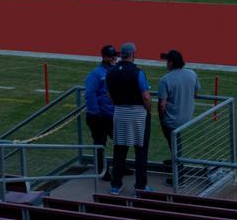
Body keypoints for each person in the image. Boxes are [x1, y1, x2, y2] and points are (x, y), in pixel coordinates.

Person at [107, 43, 152, 195]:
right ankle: (140, 185)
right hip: (138, 115)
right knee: (141, 151)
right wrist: (148, 110)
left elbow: (109, 96)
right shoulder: (138, 72)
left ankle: (115, 185)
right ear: (133, 54)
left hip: (120, 114)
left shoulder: (111, 71)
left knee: (119, 150)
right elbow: (146, 96)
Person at [157, 49, 200, 163]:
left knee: (173, 143)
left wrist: (161, 118)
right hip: (187, 117)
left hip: (172, 120)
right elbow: (195, 94)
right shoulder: (192, 73)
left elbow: (162, 104)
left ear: (171, 63)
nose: (166, 63)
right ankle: (175, 161)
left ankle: (177, 167)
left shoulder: (165, 79)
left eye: (167, 61)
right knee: (175, 141)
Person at [84, 45, 119, 179]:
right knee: (100, 145)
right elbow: (90, 94)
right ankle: (102, 171)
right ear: (104, 57)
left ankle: (119, 166)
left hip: (113, 115)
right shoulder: (96, 73)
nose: (113, 58)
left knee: (120, 142)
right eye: (111, 56)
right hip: (99, 117)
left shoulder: (116, 71)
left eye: (114, 55)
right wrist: (96, 113)